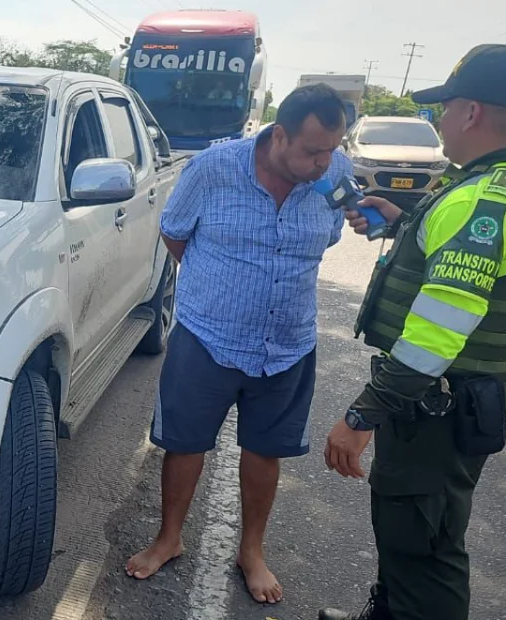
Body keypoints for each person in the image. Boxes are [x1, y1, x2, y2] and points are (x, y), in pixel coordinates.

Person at [320, 43, 506, 620]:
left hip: (433, 405)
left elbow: (437, 333)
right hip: (460, 401)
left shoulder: (485, 200)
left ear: (472, 112)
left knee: (425, 552)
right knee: (406, 533)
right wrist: (406, 220)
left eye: (445, 107)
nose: (438, 122)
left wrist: (363, 415)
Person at [125, 83, 354, 605]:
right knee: (184, 443)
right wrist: (217, 287)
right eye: (313, 151)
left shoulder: (336, 175)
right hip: (207, 336)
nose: (324, 163)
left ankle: (251, 551)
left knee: (265, 450)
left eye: (332, 150)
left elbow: (334, 234)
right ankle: (169, 538)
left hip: (288, 342)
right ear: (279, 135)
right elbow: (174, 233)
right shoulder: (213, 169)